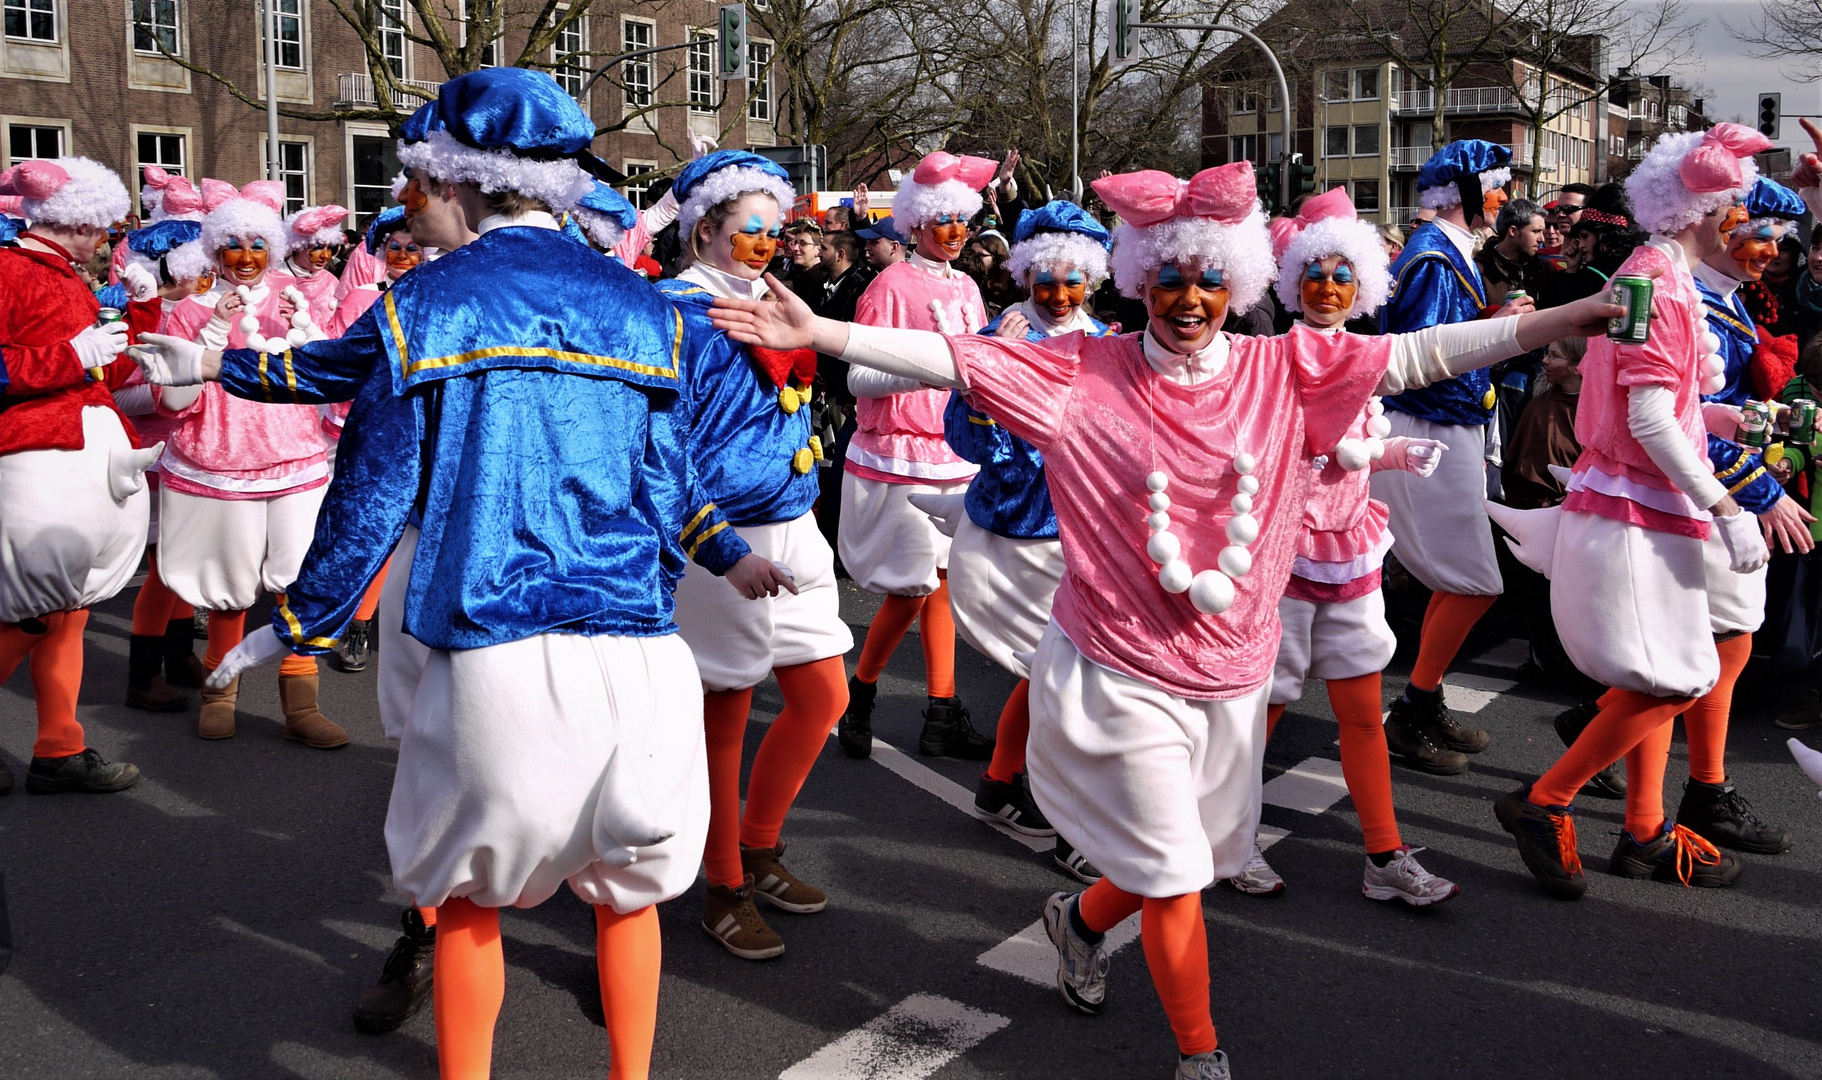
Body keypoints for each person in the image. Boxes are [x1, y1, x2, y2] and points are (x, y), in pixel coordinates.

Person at [709, 161, 1622, 1080]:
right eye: (1172, 279)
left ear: (1238, 285)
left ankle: (1079, 920)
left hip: (1232, 670)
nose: (1190, 298)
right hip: (1116, 668)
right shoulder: (1079, 370)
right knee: (1179, 874)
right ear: (1142, 280)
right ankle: (1201, 1055)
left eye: (1211, 280)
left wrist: (1563, 318)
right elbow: (957, 359)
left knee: (1173, 864)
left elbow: (1421, 354)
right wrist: (821, 329)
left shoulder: (1286, 369)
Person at [129, 67, 778, 1079]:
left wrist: (300, 625)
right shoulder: (639, 305)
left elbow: (375, 489)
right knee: (629, 891)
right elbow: (668, 473)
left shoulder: (424, 302)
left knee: (469, 892)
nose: (402, 202)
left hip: (489, 644)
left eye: (414, 183)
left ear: (457, 183)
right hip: (638, 647)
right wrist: (726, 554)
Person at [1486, 123, 1781, 899]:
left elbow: (1660, 408)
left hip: (1647, 505)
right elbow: (1646, 419)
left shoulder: (1667, 278)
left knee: (1672, 672)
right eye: (1735, 207)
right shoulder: (1655, 280)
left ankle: (1643, 830)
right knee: (1676, 679)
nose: (1745, 225)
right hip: (1629, 507)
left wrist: (1720, 424)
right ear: (1700, 208)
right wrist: (1726, 502)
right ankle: (1543, 802)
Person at [654, 150, 852, 962]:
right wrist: (720, 547)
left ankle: (757, 845)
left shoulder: (773, 299)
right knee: (723, 714)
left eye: (775, 231)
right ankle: (722, 885)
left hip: (794, 526)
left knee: (821, 696)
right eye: (751, 231)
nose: (768, 244)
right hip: (720, 543)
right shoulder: (673, 314)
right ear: (705, 229)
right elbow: (660, 450)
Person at [1239, 186, 1460, 904]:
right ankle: (1229, 839)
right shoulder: (1272, 357)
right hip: (1287, 553)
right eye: (1315, 275)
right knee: (1263, 707)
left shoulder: (1367, 356)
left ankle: (1384, 855)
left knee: (1364, 714)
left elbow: (1356, 445)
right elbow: (1274, 447)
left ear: (1361, 286)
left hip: (1352, 550)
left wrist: (1395, 453)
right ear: (1291, 283)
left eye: (1342, 276)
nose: (1328, 288)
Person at [939, 200, 1116, 883]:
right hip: (1015, 533)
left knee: (1057, 673)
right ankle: (1066, 817)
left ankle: (999, 781)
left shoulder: (1107, 341)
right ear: (1023, 274)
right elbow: (963, 438)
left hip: (1088, 533)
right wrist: (993, 379)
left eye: (1074, 279)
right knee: (1061, 679)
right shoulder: (999, 335)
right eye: (1047, 279)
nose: (1060, 294)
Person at [152, 180, 348, 747]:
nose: (245, 257)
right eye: (233, 245)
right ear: (215, 251)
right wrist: (210, 329)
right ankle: (220, 688)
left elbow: (327, 378)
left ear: (272, 247)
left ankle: (301, 702)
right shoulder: (187, 311)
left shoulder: (297, 299)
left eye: (257, 244)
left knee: (298, 582)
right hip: (221, 459)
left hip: (294, 456)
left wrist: (308, 330)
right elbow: (172, 401)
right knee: (229, 587)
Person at [0, 156, 153, 795]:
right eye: (104, 229)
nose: (108, 242)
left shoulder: (69, 278)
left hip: (86, 454)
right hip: (35, 451)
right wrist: (70, 355)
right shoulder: (9, 270)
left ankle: (58, 747)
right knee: (31, 610)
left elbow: (103, 376)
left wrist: (143, 320)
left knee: (69, 612)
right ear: (79, 221)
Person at [835, 152, 994, 762]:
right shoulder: (890, 284)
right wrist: (929, 370)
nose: (955, 231)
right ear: (917, 222)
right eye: (943, 219)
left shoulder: (971, 286)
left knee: (946, 586)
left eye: (962, 219)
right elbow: (857, 379)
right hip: (901, 455)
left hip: (955, 452)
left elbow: (976, 368)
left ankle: (941, 709)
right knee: (912, 587)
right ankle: (863, 692)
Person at [1373, 140, 1525, 773]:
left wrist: (1493, 319)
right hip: (1430, 430)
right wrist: (1502, 332)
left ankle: (1420, 698)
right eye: (1496, 189)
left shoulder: (1447, 253)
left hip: (1450, 426)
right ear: (1464, 193)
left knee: (1461, 578)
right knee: (1475, 581)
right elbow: (1424, 357)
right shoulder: (1435, 258)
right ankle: (1408, 709)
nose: (1504, 200)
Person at [115, 215, 215, 710]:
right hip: (153, 457)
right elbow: (113, 390)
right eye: (200, 268)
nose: (208, 277)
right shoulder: (140, 316)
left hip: (191, 451)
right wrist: (164, 394)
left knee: (184, 558)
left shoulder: (196, 311)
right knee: (166, 565)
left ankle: (178, 657)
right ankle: (143, 674)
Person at [809, 228, 872, 554]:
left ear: (841, 254)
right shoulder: (826, 286)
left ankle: (841, 544)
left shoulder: (859, 289)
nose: (819, 252)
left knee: (839, 468)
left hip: (844, 395)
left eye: (824, 247)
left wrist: (846, 391)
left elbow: (854, 344)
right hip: (827, 389)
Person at [280, 204, 351, 325]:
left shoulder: (331, 281)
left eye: (331, 248)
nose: (325, 256)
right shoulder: (274, 279)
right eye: (318, 247)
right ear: (298, 246)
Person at [1476, 198, 1546, 303]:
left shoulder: (1545, 271)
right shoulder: (1477, 271)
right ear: (1513, 231)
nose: (1542, 239)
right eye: (1536, 231)